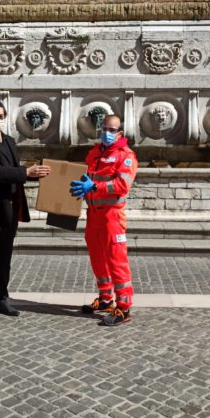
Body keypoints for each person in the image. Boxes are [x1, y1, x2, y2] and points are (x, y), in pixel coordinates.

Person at [0, 99, 50, 325]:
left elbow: (14, 172)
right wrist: (26, 171)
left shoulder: (11, 141)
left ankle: (1, 299)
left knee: (4, 258)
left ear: (5, 118)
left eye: (0, 116)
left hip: (9, 210)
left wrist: (36, 175)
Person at [70, 114, 138, 326]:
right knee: (98, 258)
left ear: (119, 133)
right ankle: (106, 299)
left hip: (112, 215)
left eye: (112, 130)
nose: (107, 133)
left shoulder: (126, 156)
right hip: (93, 214)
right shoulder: (94, 153)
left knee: (116, 260)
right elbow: (87, 178)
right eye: (104, 129)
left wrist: (94, 187)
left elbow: (122, 185)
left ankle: (124, 308)